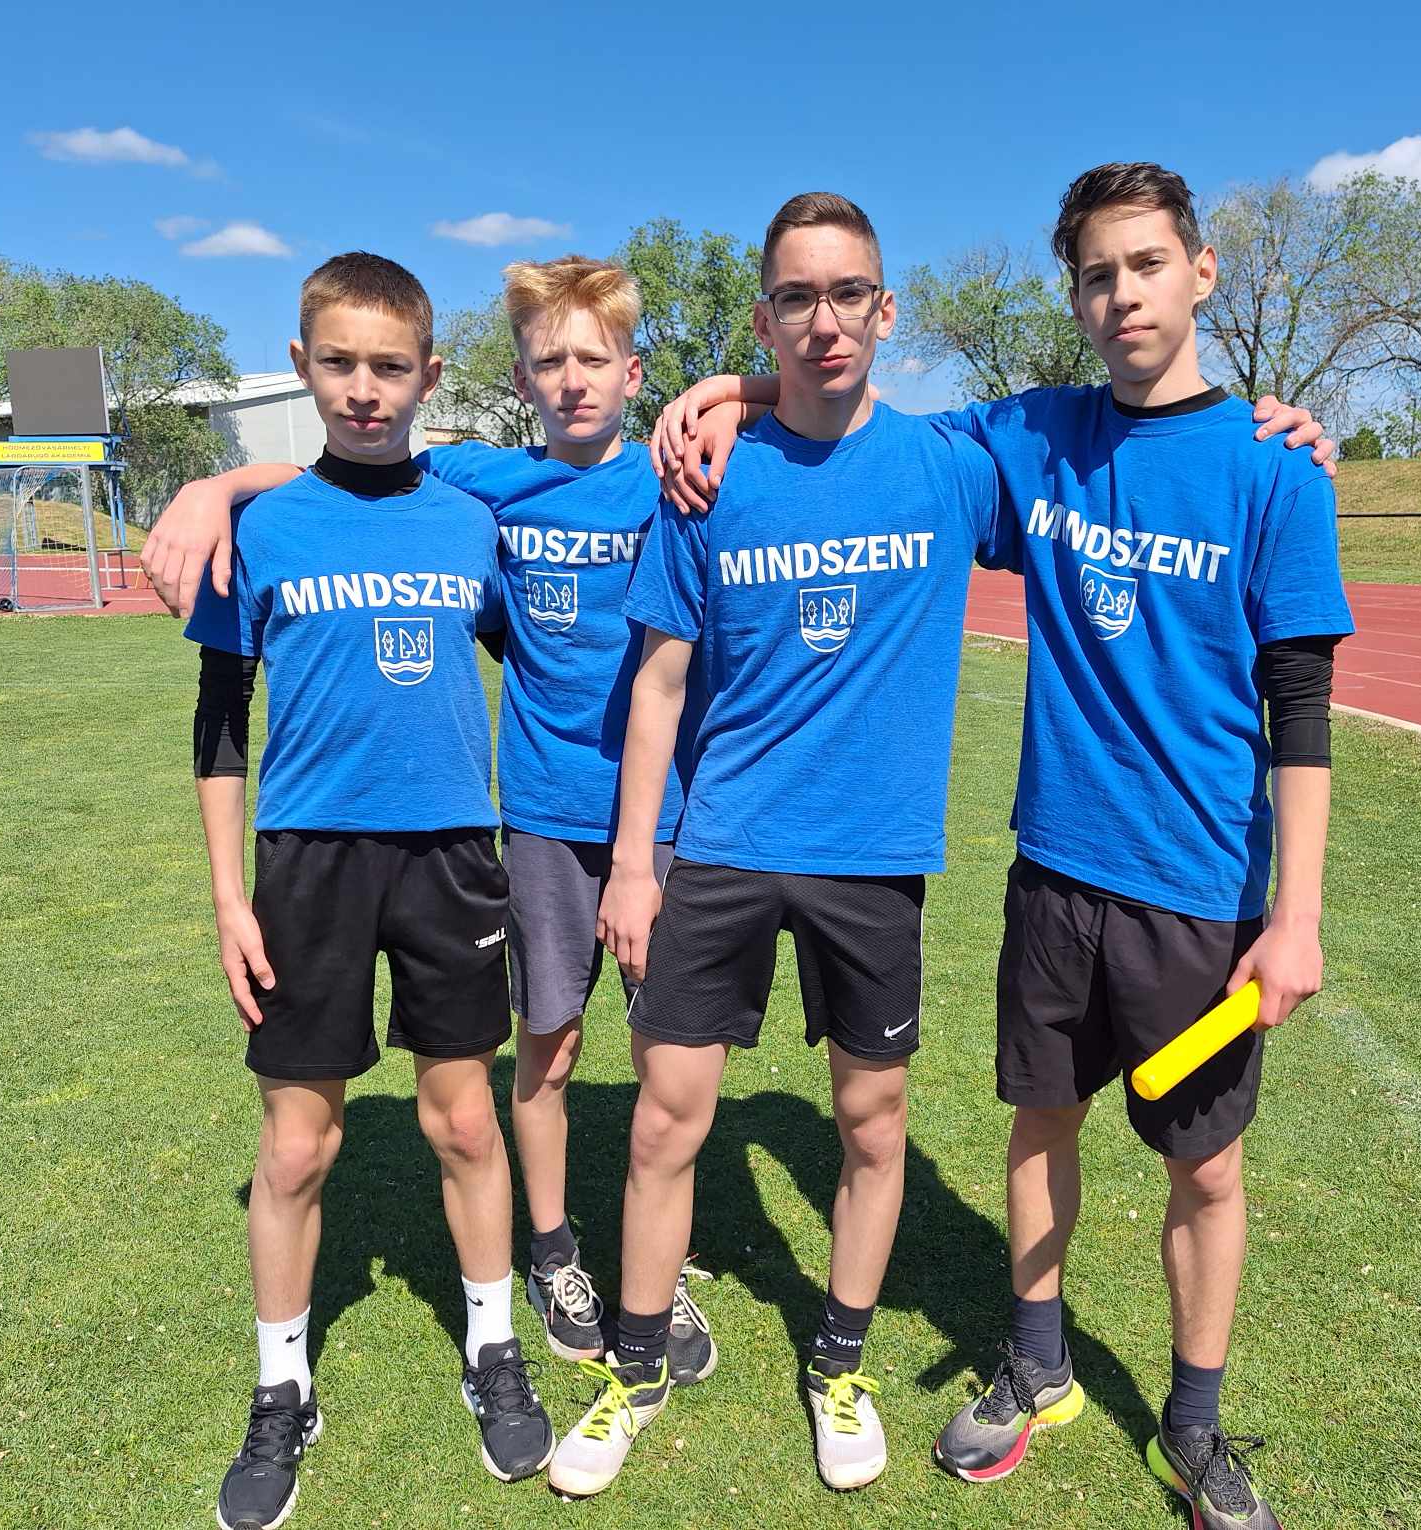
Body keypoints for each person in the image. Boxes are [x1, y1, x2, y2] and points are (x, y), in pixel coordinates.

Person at [652, 162, 1351, 1530]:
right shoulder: (1032, 436)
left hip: (1202, 884)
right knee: (1042, 1123)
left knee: (1206, 1167)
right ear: (1074, 296)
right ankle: (1038, 1363)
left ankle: (1195, 1425)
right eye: (1097, 275)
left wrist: (1299, 913)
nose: (1123, 295)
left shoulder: (1275, 466)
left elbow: (1303, 709)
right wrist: (726, 390)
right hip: (1055, 869)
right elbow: (847, 405)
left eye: (1147, 265)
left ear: (1202, 272)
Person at [145, 256, 715, 1381]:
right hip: (505, 821)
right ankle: (547, 1258)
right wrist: (214, 486)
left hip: (643, 824)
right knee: (539, 1052)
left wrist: (731, 394)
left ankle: (651, 1272)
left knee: (668, 1069)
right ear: (517, 376)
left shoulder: (658, 486)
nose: (572, 378)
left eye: (593, 357)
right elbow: (349, 474)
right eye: (548, 360)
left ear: (633, 371)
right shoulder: (482, 491)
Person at [545, 192, 1011, 1499]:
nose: (824, 320)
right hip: (725, 844)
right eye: (797, 299)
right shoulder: (709, 478)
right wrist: (631, 864)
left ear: (886, 309)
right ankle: (637, 1369)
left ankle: (840, 1365)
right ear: (765, 317)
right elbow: (657, 685)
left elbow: (1126, 432)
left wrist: (1272, 429)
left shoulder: (951, 466)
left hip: (871, 856)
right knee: (664, 1120)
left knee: (872, 1118)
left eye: (847, 293)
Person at [185, 252, 552, 1530]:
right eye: (338, 363)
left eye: (389, 366)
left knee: (464, 1124)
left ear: (429, 376)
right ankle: (281, 1386)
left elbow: (543, 663)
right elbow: (219, 723)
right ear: (302, 365)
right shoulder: (261, 527)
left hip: (452, 857)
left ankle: (493, 1348)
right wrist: (228, 895)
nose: (363, 389)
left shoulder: (471, 523)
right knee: (297, 1144)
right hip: (307, 864)